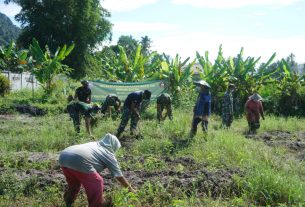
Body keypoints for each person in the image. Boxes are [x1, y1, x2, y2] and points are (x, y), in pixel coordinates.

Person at [59, 133, 136, 207]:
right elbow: (119, 175)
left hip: (64, 156)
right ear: (114, 146)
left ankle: (68, 201)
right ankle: (96, 205)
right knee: (97, 182)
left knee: (75, 184)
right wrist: (131, 189)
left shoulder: (95, 144)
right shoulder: (108, 154)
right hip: (79, 159)